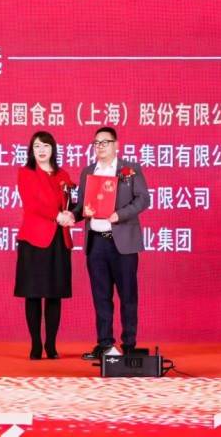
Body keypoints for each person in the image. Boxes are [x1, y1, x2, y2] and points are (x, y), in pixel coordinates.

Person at [64, 127, 150, 359]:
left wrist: (119, 215)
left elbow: (143, 199)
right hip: (96, 243)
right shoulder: (88, 172)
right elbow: (82, 205)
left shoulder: (130, 169)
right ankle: (105, 344)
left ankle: (129, 344)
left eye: (105, 142)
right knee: (101, 296)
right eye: (97, 143)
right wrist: (73, 214)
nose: (100, 147)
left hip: (122, 243)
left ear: (116, 145)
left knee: (128, 295)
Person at [15, 131, 75, 359]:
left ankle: (51, 344)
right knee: (33, 294)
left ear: (53, 149)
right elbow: (32, 204)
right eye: (37, 146)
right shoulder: (26, 173)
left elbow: (70, 204)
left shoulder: (63, 175)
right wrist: (57, 216)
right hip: (33, 239)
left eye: (46, 146)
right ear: (31, 150)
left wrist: (76, 213)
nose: (41, 150)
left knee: (54, 294)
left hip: (58, 240)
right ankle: (35, 344)